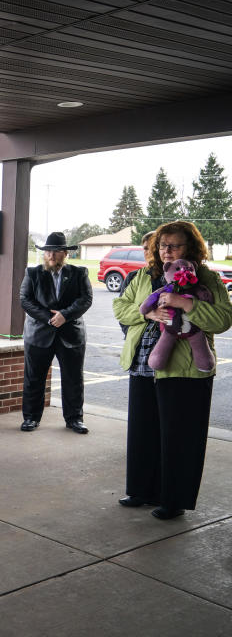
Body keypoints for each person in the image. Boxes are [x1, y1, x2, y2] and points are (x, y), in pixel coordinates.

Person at [113, 221, 232, 520]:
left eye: (174, 245)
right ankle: (141, 490)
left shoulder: (206, 278)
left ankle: (173, 499)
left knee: (180, 437)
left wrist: (185, 304)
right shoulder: (143, 275)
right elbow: (121, 307)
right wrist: (148, 313)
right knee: (143, 432)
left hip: (185, 369)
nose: (167, 251)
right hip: (144, 363)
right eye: (163, 245)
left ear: (190, 247)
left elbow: (222, 319)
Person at [19, 231, 93, 434]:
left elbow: (85, 299)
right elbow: (25, 300)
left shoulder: (79, 273)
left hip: (71, 335)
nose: (51, 255)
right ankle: (31, 418)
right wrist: (49, 318)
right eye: (48, 251)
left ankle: (74, 419)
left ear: (65, 254)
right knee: (34, 379)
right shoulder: (32, 273)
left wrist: (65, 315)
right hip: (39, 334)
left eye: (57, 251)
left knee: (73, 379)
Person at [118, 230, 156, 336]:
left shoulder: (172, 277)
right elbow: (122, 311)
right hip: (137, 342)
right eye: (145, 248)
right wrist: (130, 334)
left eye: (152, 248)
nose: (148, 252)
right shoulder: (133, 276)